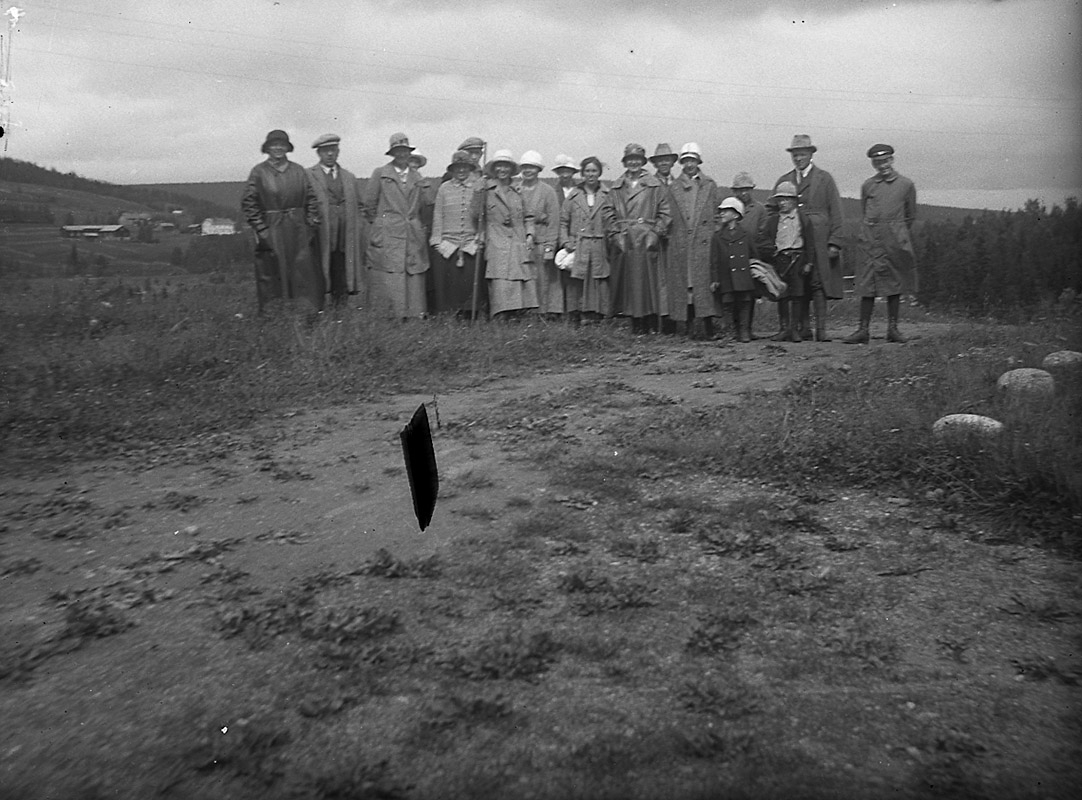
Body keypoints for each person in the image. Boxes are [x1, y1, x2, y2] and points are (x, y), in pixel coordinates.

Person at [843, 143, 918, 344]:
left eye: (885, 161)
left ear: (892, 160)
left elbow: (910, 215)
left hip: (894, 240)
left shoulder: (906, 184)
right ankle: (863, 330)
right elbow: (865, 210)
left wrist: (896, 233)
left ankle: (893, 329)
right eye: (877, 163)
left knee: (894, 283)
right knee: (867, 283)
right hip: (870, 240)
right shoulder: (868, 185)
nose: (882, 166)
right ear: (873, 164)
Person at [241, 129, 321, 313]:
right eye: (274, 145)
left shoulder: (299, 170)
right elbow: (249, 202)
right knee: (272, 274)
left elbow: (311, 199)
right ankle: (275, 316)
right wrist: (262, 229)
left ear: (287, 148)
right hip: (273, 229)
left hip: (299, 229)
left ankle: (306, 315)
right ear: (267, 148)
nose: (278, 148)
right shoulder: (259, 172)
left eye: (282, 145)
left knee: (303, 272)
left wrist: (311, 224)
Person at [774, 134, 844, 341]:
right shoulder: (785, 180)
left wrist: (835, 241)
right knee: (798, 282)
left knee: (818, 281)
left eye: (802, 154)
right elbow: (772, 209)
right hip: (793, 240)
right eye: (795, 155)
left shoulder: (824, 179)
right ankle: (802, 328)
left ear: (811, 154)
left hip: (819, 238)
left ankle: (821, 329)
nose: (798, 158)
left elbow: (837, 211)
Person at [363, 133, 430, 318]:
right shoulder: (380, 174)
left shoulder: (417, 176)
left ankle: (414, 313)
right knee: (388, 270)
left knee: (412, 269)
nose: (401, 154)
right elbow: (369, 204)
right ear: (392, 153)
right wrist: (383, 223)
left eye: (405, 151)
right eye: (397, 151)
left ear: (409, 153)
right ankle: (389, 314)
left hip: (412, 232)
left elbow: (425, 204)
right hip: (388, 231)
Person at [608, 143, 672, 334]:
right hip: (625, 239)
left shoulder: (655, 185)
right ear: (624, 162)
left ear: (643, 161)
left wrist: (656, 232)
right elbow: (608, 212)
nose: (633, 163)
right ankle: (635, 323)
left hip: (647, 238)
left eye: (637, 159)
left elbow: (665, 212)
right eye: (630, 159)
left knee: (649, 282)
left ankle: (651, 322)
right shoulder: (616, 186)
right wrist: (615, 234)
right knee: (630, 283)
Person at [665, 143, 721, 339]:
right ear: (681, 163)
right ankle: (687, 327)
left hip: (703, 242)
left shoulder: (709, 185)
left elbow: (716, 213)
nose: (689, 165)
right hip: (682, 242)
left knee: (704, 285)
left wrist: (713, 233)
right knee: (686, 284)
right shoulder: (673, 187)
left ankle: (707, 327)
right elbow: (669, 214)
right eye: (686, 161)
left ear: (698, 161)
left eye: (693, 160)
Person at [306, 133, 364, 309]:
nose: (330, 154)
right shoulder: (308, 175)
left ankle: (340, 311)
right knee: (320, 272)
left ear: (338, 151)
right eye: (325, 150)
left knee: (342, 272)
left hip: (344, 236)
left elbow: (359, 205)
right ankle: (318, 310)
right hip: (320, 235)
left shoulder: (349, 177)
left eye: (333, 150)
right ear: (319, 153)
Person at [481, 149, 537, 318]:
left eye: (506, 166)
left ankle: (517, 315)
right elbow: (475, 214)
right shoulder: (486, 190)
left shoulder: (519, 190)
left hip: (517, 241)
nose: (502, 170)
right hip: (496, 240)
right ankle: (500, 315)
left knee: (518, 279)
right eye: (499, 166)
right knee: (499, 279)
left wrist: (530, 235)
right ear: (494, 169)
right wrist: (477, 192)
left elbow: (529, 216)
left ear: (511, 169)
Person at [758, 181, 816, 343]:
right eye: (780, 200)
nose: (783, 203)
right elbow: (763, 239)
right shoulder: (773, 221)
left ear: (794, 200)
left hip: (797, 259)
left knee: (797, 294)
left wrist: (809, 263)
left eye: (786, 199)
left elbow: (810, 242)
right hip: (780, 259)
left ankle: (795, 329)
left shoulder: (803, 220)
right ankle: (784, 329)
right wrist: (771, 252)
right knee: (782, 294)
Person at [428, 149, 483, 318]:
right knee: (449, 280)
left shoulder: (478, 188)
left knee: (469, 281)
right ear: (452, 170)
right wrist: (437, 241)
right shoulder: (444, 189)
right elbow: (438, 214)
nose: (461, 170)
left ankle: (469, 312)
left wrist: (480, 237)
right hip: (448, 241)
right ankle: (448, 313)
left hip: (470, 242)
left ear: (470, 169)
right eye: (457, 167)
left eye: (465, 167)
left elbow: (483, 215)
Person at [559, 155, 613, 324]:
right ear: (582, 173)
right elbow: (563, 222)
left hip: (600, 245)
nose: (591, 174)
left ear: (600, 173)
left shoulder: (608, 195)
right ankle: (575, 314)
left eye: (594, 171)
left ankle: (597, 315)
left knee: (599, 278)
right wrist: (566, 242)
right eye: (587, 171)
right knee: (577, 280)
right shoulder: (573, 196)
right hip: (578, 245)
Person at [517, 151, 562, 317]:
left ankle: (546, 312)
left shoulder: (548, 191)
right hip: (521, 240)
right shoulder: (515, 189)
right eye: (525, 167)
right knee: (526, 277)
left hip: (542, 240)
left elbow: (554, 221)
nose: (528, 170)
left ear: (538, 170)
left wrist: (550, 246)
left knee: (544, 278)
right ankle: (526, 311)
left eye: (532, 167)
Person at [710, 197, 758, 343]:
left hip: (743, 276)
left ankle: (744, 331)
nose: (722, 214)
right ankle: (729, 331)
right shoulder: (718, 236)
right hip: (726, 276)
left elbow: (754, 255)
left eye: (726, 211)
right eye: (721, 211)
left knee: (745, 303)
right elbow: (714, 260)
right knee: (728, 304)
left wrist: (755, 272)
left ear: (736, 215)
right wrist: (715, 279)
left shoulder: (746, 234)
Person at [731, 172, 769, 338]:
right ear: (734, 191)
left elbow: (763, 233)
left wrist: (757, 256)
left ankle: (747, 328)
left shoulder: (759, 209)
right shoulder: (729, 207)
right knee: (733, 293)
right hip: (732, 257)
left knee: (749, 293)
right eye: (740, 190)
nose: (744, 193)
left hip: (751, 256)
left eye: (747, 189)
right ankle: (734, 328)